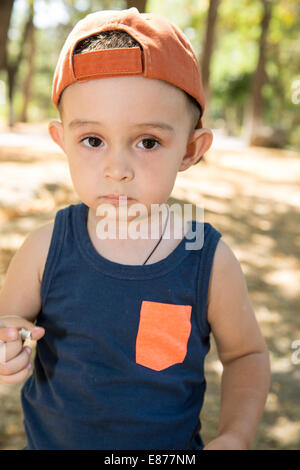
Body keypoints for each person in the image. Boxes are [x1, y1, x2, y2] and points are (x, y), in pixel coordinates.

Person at [0, 8, 270, 450]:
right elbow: (8, 322)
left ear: (190, 150)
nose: (117, 169)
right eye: (93, 141)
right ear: (62, 141)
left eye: (147, 142)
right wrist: (9, 345)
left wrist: (237, 435)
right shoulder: (45, 249)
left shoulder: (207, 261)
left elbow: (247, 355)